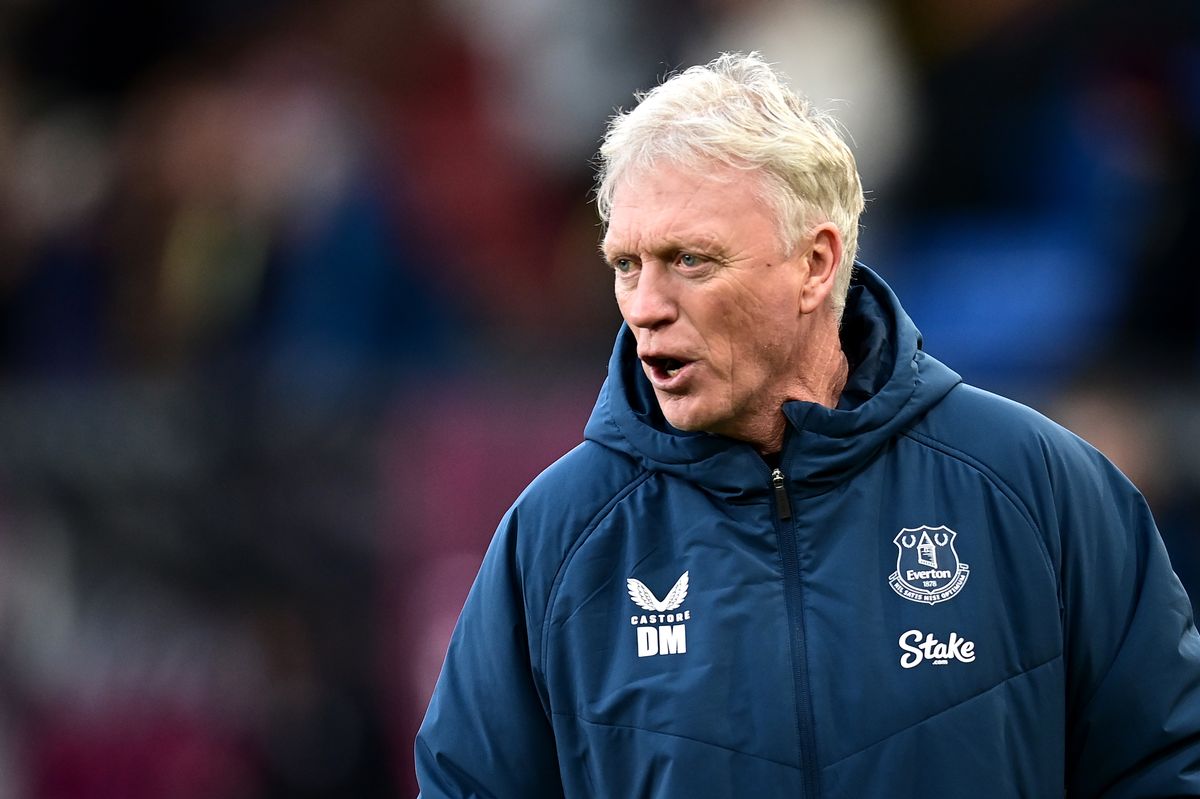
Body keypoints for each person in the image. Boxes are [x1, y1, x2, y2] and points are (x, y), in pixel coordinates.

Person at [414, 52, 1200, 797]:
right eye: (628, 264)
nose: (646, 307)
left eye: (690, 259)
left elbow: (1165, 764)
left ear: (816, 264)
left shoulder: (1039, 486)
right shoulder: (555, 539)